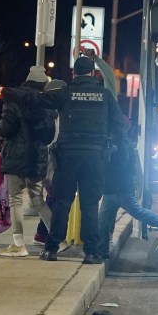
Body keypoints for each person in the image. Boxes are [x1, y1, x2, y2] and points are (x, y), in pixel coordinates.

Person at [39, 56, 124, 264]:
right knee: (89, 205)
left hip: (67, 156)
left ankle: (51, 249)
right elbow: (119, 126)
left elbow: (36, 100)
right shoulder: (105, 96)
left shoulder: (64, 93)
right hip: (95, 157)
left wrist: (4, 91)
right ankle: (91, 252)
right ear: (93, 73)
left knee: (62, 203)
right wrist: (113, 146)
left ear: (74, 73)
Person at [0, 66, 54, 258]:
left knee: (15, 199)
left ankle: (18, 245)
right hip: (37, 156)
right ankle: (58, 238)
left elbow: (7, 127)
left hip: (17, 155)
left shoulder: (14, 98)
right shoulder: (45, 102)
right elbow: (49, 134)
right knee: (38, 199)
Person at [98, 125, 158, 259]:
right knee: (104, 221)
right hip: (113, 190)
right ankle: (102, 250)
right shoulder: (124, 145)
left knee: (131, 213)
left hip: (119, 190)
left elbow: (117, 166)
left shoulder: (119, 146)